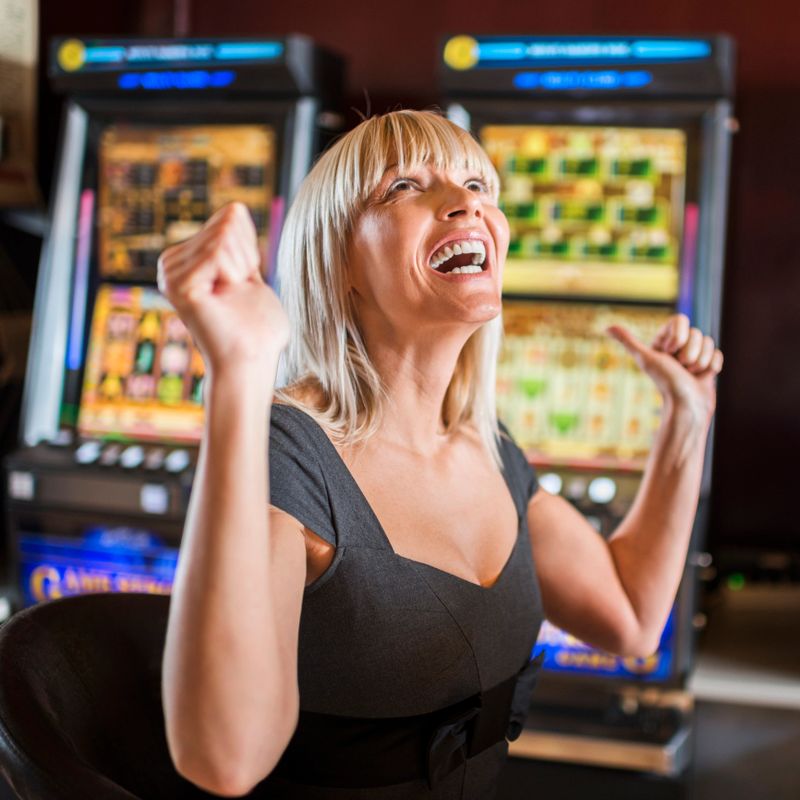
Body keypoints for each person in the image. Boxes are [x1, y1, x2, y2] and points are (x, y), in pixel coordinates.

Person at [158, 110, 723, 799]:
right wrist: (238, 370)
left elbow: (632, 618)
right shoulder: (288, 453)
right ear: (337, 260)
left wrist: (688, 419)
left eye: (478, 185)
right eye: (403, 187)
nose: (466, 203)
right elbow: (226, 759)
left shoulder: (488, 444)